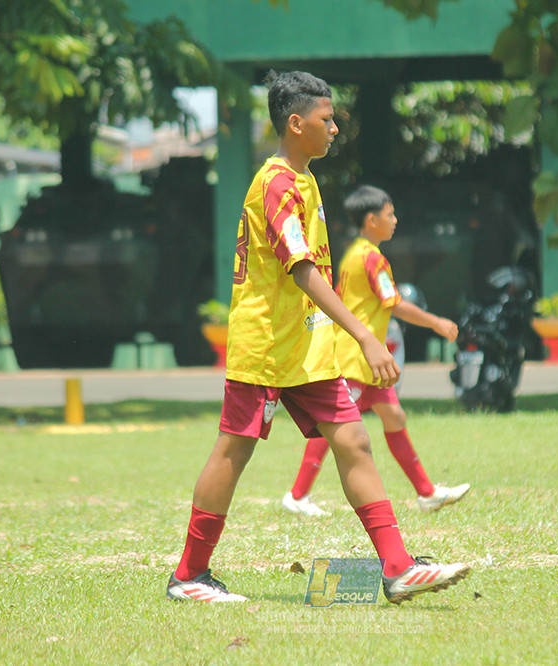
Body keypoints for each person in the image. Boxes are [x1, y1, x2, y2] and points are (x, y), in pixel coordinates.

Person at [166, 71, 470, 604]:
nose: (334, 129)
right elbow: (302, 269)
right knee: (232, 453)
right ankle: (189, 575)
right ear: (295, 122)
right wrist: (366, 338)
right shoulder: (278, 184)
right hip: (266, 344)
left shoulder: (304, 179)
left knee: (353, 439)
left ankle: (397, 568)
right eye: (326, 120)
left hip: (306, 346)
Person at [281, 185, 471, 518]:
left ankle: (426, 494)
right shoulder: (371, 258)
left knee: (394, 417)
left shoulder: (355, 253)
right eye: (390, 214)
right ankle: (297, 496)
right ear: (372, 220)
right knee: (333, 425)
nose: (395, 220)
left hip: (367, 362)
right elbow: (395, 304)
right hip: (355, 358)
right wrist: (437, 322)